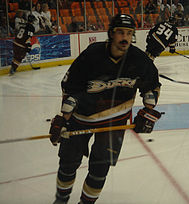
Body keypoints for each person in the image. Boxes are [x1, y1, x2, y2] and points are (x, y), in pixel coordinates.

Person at [49, 14, 162, 204]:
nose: (125, 38)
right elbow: (70, 86)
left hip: (115, 120)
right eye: (120, 32)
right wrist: (64, 119)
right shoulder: (92, 55)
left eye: (129, 33)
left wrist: (148, 111)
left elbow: (151, 86)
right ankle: (61, 200)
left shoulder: (139, 59)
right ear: (111, 34)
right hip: (81, 117)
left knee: (100, 168)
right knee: (68, 163)